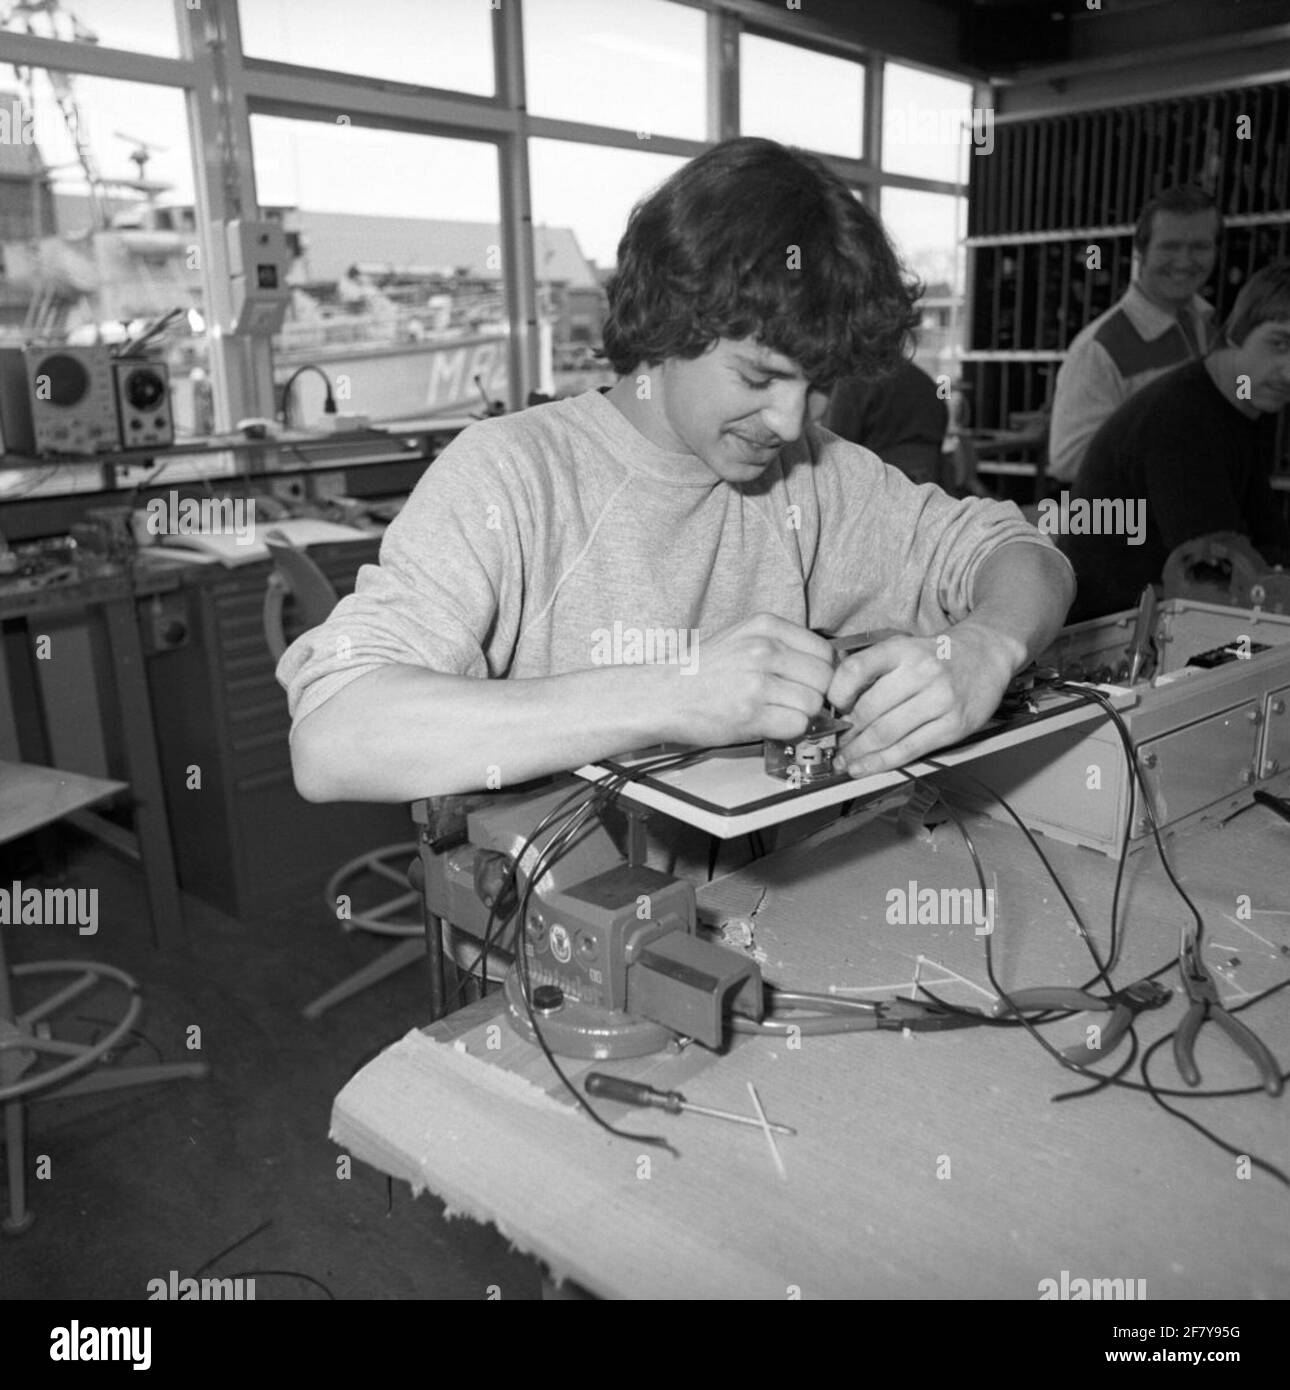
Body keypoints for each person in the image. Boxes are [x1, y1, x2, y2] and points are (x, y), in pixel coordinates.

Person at [279, 137, 1074, 810]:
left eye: (818, 382)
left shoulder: (813, 476)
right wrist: (675, 692)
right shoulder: (512, 477)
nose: (793, 423)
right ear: (670, 321)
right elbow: (333, 738)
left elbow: (1020, 551)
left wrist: (985, 649)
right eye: (759, 378)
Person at [1057, 261, 1290, 623]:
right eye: (1279, 343)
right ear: (1237, 330)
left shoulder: (1240, 403)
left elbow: (1268, 540)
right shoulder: (1183, 420)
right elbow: (1219, 578)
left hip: (1158, 622)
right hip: (1106, 639)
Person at [1047, 185, 1221, 485]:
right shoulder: (1099, 348)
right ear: (1140, 252)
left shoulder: (1206, 326)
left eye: (1200, 247)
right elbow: (1069, 460)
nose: (1185, 260)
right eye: (1170, 246)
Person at [823, 357, 948, 486]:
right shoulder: (923, 380)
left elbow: (834, 447)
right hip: (928, 482)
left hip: (878, 485)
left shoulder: (853, 381)